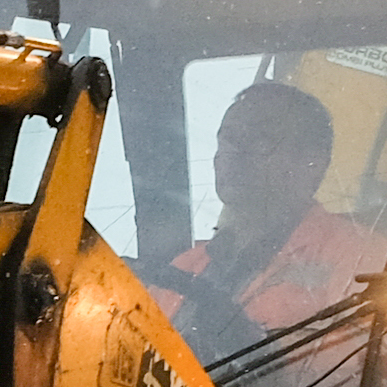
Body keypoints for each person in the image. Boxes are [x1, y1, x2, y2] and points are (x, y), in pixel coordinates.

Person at [150, 79, 374, 361]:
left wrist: (256, 351)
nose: (234, 154)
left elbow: (362, 383)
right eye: (228, 139)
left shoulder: (364, 261)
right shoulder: (183, 270)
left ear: (311, 163)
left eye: (259, 142)